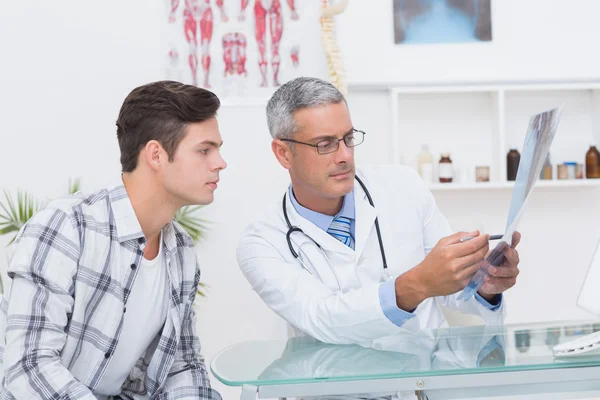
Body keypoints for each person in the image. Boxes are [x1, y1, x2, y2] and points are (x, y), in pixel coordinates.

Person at [237, 77, 521, 345]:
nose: (345, 155)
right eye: (325, 145)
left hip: (423, 385)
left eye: (348, 138)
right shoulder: (262, 242)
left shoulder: (403, 185)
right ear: (283, 153)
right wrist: (416, 284)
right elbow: (321, 318)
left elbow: (454, 292)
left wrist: (485, 286)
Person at [0, 81, 226, 399]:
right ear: (156, 155)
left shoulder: (181, 252)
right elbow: (29, 367)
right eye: (205, 150)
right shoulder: (68, 227)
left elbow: (181, 367)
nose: (220, 163)